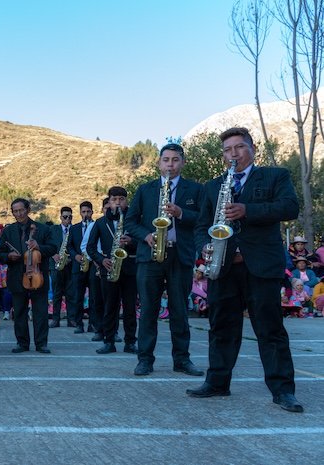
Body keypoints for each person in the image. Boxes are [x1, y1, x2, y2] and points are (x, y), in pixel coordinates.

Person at [188, 127, 304, 413]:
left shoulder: (276, 176)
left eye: (239, 147)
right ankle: (217, 382)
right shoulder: (213, 186)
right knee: (221, 328)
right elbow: (202, 225)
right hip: (224, 266)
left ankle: (282, 390)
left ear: (252, 149)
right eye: (227, 150)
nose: (233, 154)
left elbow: (290, 207)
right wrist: (205, 247)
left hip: (261, 265)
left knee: (270, 328)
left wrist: (247, 210)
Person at [125, 142, 204, 377]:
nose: (170, 164)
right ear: (159, 163)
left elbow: (203, 219)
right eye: (166, 160)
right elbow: (130, 222)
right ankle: (145, 359)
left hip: (180, 257)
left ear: (183, 162)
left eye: (175, 160)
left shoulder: (196, 190)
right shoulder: (145, 190)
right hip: (150, 257)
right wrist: (146, 235)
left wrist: (181, 213)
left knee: (179, 311)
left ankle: (182, 360)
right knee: (148, 310)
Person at [0, 198, 57, 354]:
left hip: (38, 275)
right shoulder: (8, 231)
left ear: (28, 210)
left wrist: (39, 247)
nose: (19, 214)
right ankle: (22, 343)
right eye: (15, 211)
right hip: (17, 275)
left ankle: (41, 343)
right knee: (20, 311)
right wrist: (9, 256)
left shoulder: (43, 229)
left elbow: (52, 248)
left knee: (41, 311)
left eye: (21, 210)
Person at [88, 187, 138, 354]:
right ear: (108, 202)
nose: (118, 202)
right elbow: (90, 247)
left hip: (130, 269)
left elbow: (144, 243)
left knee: (130, 308)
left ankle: (130, 342)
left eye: (121, 199)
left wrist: (131, 242)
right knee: (110, 307)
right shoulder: (100, 222)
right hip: (109, 269)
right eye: (114, 199)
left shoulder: (134, 220)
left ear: (126, 201)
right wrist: (102, 260)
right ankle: (109, 341)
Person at [67, 201, 102, 335]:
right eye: (83, 212)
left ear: (92, 212)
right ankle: (79, 324)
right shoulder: (74, 228)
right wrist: (75, 256)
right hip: (78, 265)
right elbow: (69, 246)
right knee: (77, 296)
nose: (86, 214)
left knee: (94, 296)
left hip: (93, 265)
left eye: (88, 212)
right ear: (80, 213)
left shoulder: (96, 226)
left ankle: (92, 324)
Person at [49, 207, 75, 328]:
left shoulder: (74, 230)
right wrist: (53, 255)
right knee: (57, 294)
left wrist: (71, 257)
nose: (68, 219)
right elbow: (48, 245)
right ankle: (55, 319)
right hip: (56, 265)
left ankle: (71, 319)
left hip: (70, 265)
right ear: (60, 217)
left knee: (70, 294)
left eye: (70, 217)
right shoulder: (53, 229)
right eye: (65, 217)